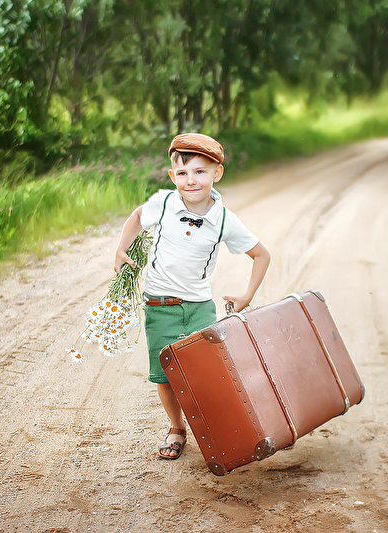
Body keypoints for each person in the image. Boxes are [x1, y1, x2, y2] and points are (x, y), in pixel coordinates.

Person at [113, 132, 271, 460]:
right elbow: (137, 217)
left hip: (199, 308)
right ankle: (177, 428)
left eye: (200, 171)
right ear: (173, 176)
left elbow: (261, 255)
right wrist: (121, 249)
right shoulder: (164, 204)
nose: (191, 180)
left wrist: (246, 295)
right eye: (183, 173)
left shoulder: (224, 220)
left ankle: (224, 429)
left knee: (209, 373)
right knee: (165, 376)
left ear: (217, 173)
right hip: (159, 307)